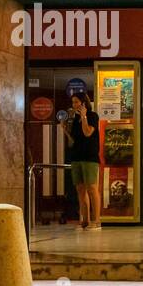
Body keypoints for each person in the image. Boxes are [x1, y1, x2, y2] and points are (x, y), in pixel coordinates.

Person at [61, 90, 102, 230]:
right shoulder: (74, 120)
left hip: (89, 157)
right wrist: (65, 130)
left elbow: (88, 132)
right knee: (80, 189)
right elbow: (73, 140)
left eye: (77, 102)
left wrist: (84, 117)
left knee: (92, 187)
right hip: (76, 156)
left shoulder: (92, 116)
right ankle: (85, 220)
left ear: (84, 103)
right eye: (73, 102)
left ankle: (96, 221)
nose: (74, 105)